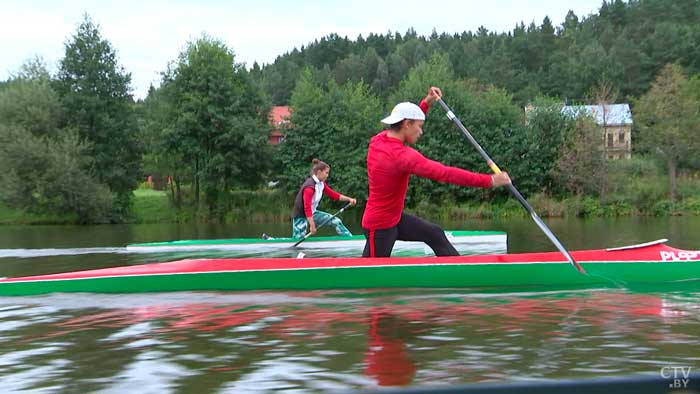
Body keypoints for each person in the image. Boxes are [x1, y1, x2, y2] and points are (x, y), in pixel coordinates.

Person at [362, 87, 511, 257]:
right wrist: (489, 181)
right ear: (407, 124)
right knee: (375, 281)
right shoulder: (402, 156)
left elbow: (406, 121)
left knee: (435, 234)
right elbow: (445, 173)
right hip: (379, 226)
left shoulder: (379, 140)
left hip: (394, 218)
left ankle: (461, 272)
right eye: (419, 126)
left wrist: (426, 103)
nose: (421, 131)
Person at [291, 159, 357, 239]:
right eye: (326, 173)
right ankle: (273, 241)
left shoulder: (321, 184)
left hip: (313, 213)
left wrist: (349, 199)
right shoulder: (309, 187)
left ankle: (350, 239)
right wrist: (312, 225)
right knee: (298, 239)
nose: (327, 175)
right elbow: (307, 208)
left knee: (336, 221)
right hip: (301, 215)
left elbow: (334, 195)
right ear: (319, 172)